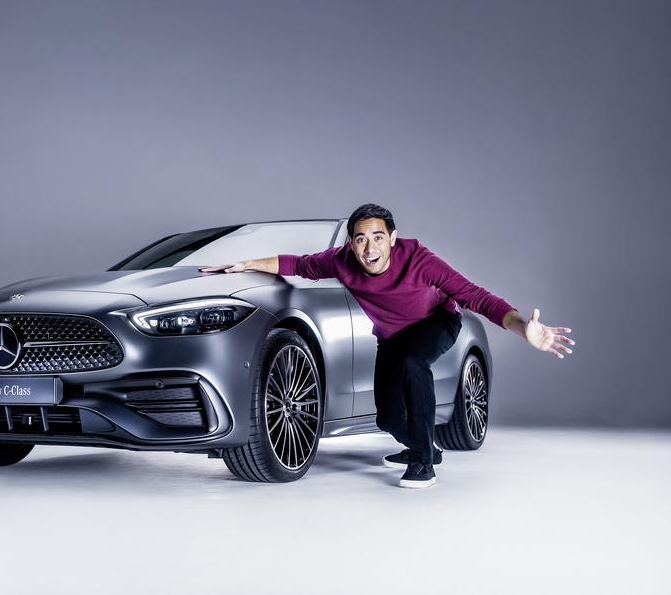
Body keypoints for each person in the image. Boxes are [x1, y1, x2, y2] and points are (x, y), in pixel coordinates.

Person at [200, 203, 575, 488]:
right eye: (360, 239)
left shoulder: (421, 261)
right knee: (388, 419)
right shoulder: (342, 261)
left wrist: (522, 327)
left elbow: (476, 297)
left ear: (392, 239)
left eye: (378, 237)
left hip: (436, 322)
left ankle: (423, 463)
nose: (369, 248)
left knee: (414, 363)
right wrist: (244, 264)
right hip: (392, 336)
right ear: (352, 244)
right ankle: (424, 446)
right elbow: (297, 264)